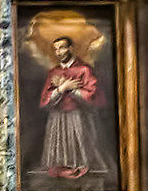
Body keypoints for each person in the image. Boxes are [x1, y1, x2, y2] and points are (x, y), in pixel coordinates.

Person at [36, 34, 106, 182]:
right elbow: (45, 101)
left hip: (78, 117)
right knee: (58, 160)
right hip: (57, 117)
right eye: (56, 49)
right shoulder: (53, 72)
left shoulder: (84, 70)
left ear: (70, 48)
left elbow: (91, 96)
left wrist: (73, 91)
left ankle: (79, 171)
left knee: (80, 154)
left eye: (62, 48)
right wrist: (62, 88)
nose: (59, 52)